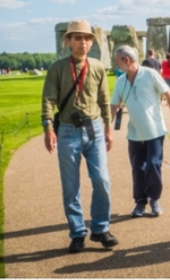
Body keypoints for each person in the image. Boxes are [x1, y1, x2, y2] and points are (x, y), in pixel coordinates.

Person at [41, 20, 118, 253]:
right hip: (67, 130)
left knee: (102, 180)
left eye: (86, 38)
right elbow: (48, 100)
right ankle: (77, 233)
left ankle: (101, 229)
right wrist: (48, 129)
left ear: (92, 41)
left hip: (93, 127)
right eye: (77, 38)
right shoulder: (57, 68)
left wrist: (108, 128)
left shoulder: (97, 67)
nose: (82, 42)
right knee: (71, 186)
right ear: (68, 41)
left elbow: (105, 99)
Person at [110, 45, 170, 218]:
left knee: (153, 165)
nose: (116, 64)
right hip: (134, 134)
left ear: (126, 60)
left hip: (155, 131)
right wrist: (106, 129)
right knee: (138, 168)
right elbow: (113, 107)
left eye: (117, 60)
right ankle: (140, 203)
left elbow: (169, 95)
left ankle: (154, 199)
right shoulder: (120, 82)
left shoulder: (150, 75)